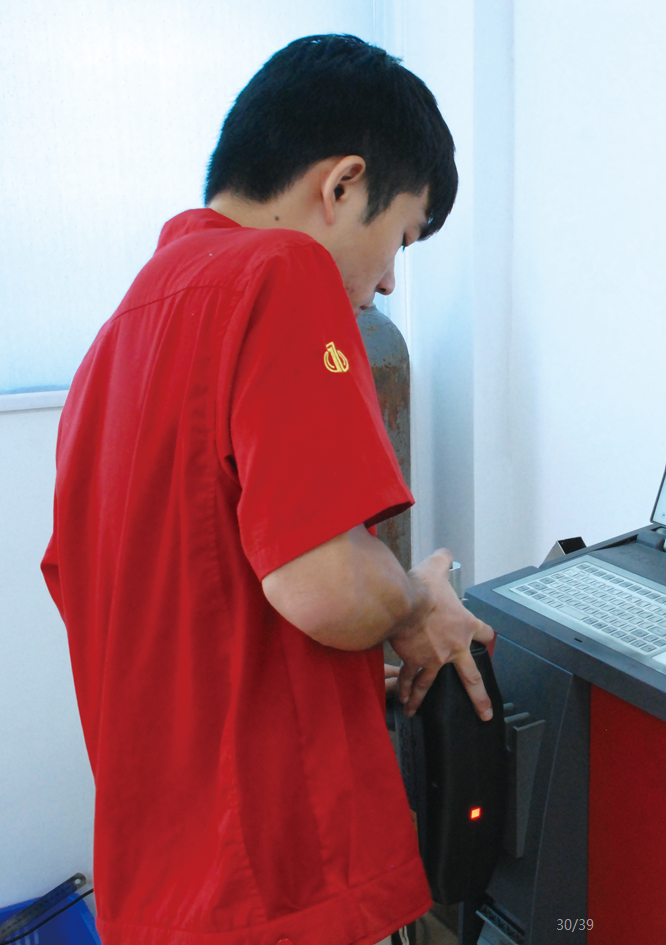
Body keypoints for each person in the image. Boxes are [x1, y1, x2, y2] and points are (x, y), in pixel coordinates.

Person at [41, 34, 493, 945]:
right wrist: (418, 599)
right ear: (343, 185)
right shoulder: (281, 273)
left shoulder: (115, 340)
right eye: (400, 237)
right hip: (275, 881)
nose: (387, 281)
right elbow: (324, 587)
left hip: (163, 883)